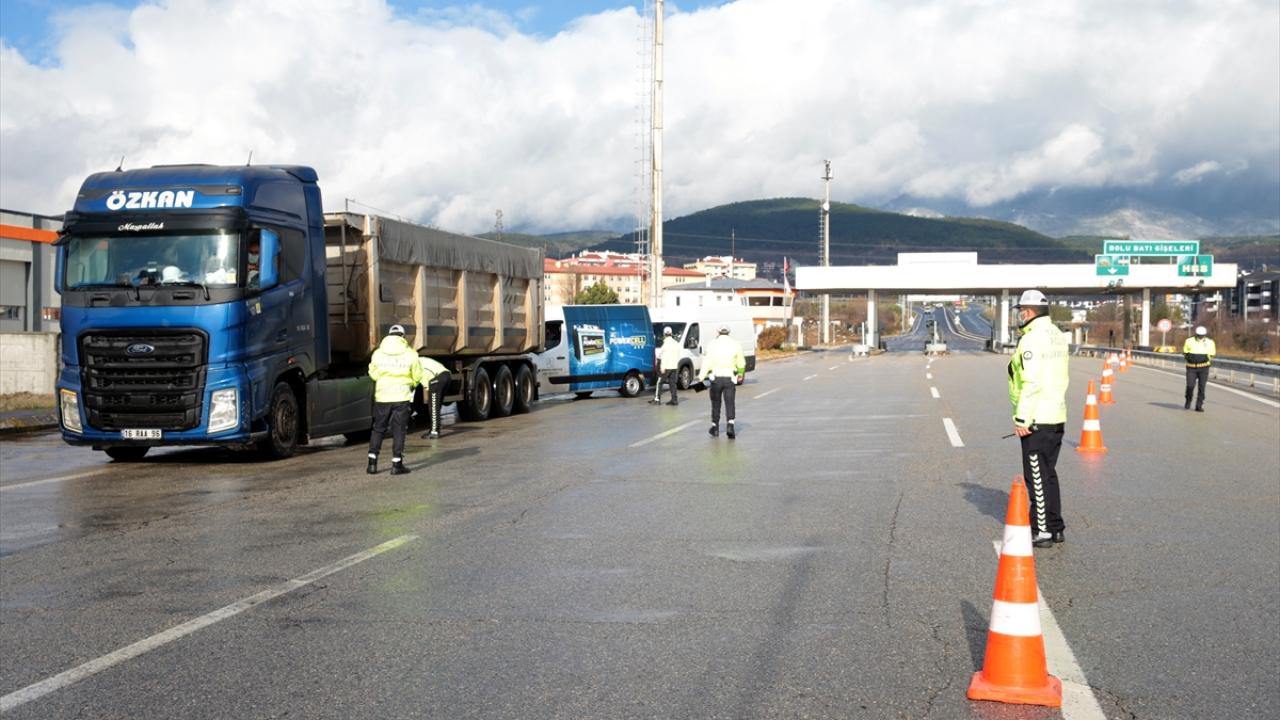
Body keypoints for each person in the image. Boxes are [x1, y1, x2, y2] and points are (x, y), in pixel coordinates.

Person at [1008, 290, 1070, 548]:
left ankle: (1042, 531)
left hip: (1037, 417)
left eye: (1021, 310)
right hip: (1056, 414)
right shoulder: (1056, 335)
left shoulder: (1032, 339)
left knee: (1036, 476)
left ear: (1029, 311)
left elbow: (1031, 382)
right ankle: (1056, 527)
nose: (1020, 315)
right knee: (1048, 473)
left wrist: (1022, 418)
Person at [367, 324, 423, 475]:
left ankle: (372, 464)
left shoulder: (378, 353)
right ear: (403, 337)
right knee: (399, 430)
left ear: (389, 335)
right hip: (401, 396)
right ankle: (396, 465)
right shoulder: (411, 354)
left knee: (378, 428)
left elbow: (373, 373)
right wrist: (411, 384)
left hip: (382, 396)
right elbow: (417, 375)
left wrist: (383, 381)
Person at [700, 325, 745, 439]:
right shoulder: (736, 344)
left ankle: (715, 427)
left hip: (716, 378)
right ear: (729, 332)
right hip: (730, 378)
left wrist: (701, 378)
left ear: (718, 332)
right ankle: (730, 425)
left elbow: (706, 363)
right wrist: (740, 373)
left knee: (716, 403)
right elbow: (741, 361)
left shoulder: (712, 344)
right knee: (730, 402)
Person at [1182, 325, 1216, 412]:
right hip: (1191, 367)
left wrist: (1204, 359)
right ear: (1196, 334)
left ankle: (1199, 405)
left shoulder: (1210, 342)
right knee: (1190, 386)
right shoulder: (1189, 341)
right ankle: (1188, 400)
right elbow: (1185, 352)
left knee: (1202, 387)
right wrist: (1191, 358)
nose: (1200, 337)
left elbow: (1212, 354)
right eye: (1199, 335)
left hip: (1204, 368)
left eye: (1202, 335)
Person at [418, 355, 451, 438]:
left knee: (433, 407)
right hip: (446, 375)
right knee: (436, 406)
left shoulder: (416, 365)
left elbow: (424, 380)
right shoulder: (420, 360)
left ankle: (434, 432)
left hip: (438, 378)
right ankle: (434, 430)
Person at [650, 326, 681, 406]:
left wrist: (662, 367)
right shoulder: (676, 343)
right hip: (674, 366)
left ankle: (657, 399)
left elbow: (662, 356)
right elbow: (678, 354)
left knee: (659, 382)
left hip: (666, 367)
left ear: (664, 334)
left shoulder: (665, 344)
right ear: (671, 333)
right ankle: (674, 400)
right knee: (672, 383)